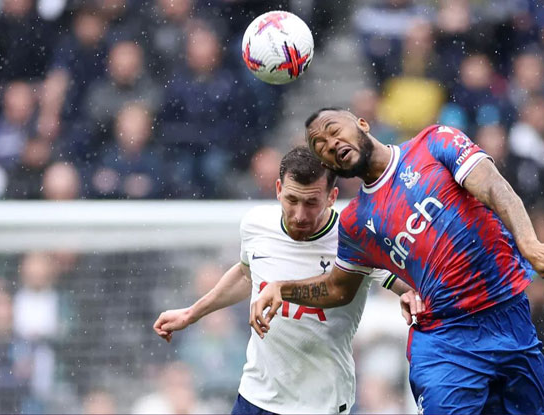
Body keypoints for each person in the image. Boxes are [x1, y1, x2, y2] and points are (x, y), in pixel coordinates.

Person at [251, 108, 544, 414]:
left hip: (510, 316)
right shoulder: (355, 224)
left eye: (332, 129)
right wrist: (283, 290)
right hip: (446, 339)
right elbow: (339, 289)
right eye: (319, 145)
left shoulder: (434, 143)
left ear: (362, 123)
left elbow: (492, 186)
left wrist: (528, 243)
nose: (329, 142)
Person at [153, 146, 417, 414]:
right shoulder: (256, 224)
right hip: (256, 396)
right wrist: (191, 313)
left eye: (311, 202)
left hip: (320, 403)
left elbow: (405, 283)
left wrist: (409, 293)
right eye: (292, 200)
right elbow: (247, 274)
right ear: (279, 189)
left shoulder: (354, 239)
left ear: (331, 196)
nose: (300, 215)